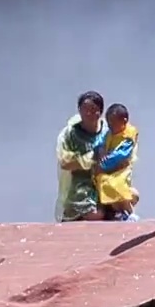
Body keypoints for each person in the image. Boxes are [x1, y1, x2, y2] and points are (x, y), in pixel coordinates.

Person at [55, 91, 107, 222]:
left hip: (106, 179)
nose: (89, 113)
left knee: (130, 196)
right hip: (82, 183)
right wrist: (91, 158)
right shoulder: (70, 134)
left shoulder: (108, 132)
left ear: (100, 112)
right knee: (94, 213)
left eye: (93, 109)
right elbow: (65, 162)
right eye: (85, 109)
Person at [96, 104, 140, 221]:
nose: (110, 126)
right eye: (109, 123)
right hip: (108, 168)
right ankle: (120, 212)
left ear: (124, 121)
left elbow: (121, 154)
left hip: (121, 168)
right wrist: (101, 151)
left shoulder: (128, 135)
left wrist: (105, 164)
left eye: (113, 123)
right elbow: (100, 142)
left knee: (117, 185)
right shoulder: (109, 132)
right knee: (103, 182)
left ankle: (131, 212)